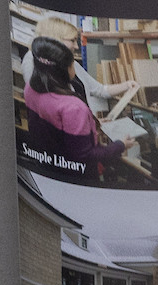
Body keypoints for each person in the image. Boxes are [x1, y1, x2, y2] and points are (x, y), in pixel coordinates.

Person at [22, 36, 126, 183]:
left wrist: (90, 124)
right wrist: (120, 145)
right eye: (72, 64)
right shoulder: (73, 107)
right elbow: (85, 156)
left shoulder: (30, 89)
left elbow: (54, 129)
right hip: (78, 177)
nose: (75, 68)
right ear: (63, 70)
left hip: (50, 167)